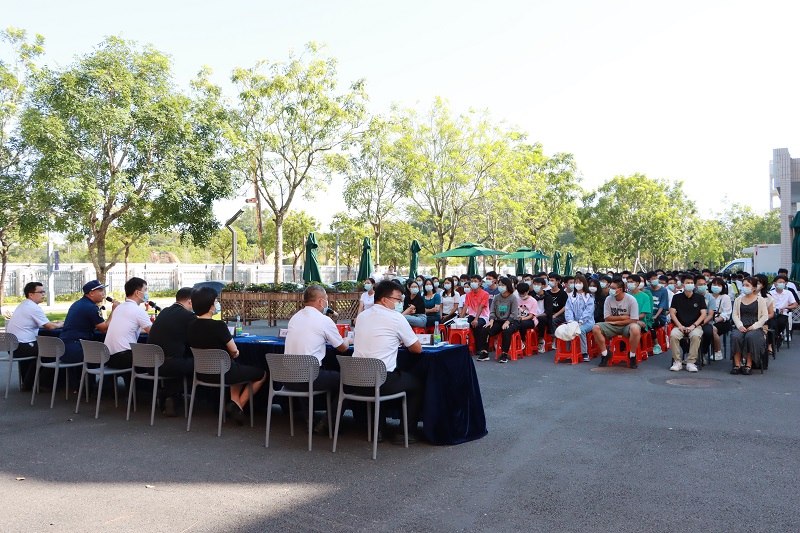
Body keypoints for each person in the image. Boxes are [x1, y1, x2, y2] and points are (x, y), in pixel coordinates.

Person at [352, 280, 423, 444]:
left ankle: (378, 429)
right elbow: (417, 349)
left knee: (382, 376)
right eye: (398, 299)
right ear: (384, 300)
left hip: (355, 380)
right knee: (416, 384)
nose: (400, 303)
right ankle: (405, 432)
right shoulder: (396, 318)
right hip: (381, 380)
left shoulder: (362, 316)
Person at [187, 286, 266, 423]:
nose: (217, 304)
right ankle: (238, 405)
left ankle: (234, 402)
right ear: (210, 306)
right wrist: (234, 353)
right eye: (215, 301)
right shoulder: (219, 326)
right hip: (225, 373)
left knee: (238, 368)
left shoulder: (191, 325)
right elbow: (234, 350)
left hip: (201, 373)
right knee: (261, 374)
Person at [284, 285, 351, 432]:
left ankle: (310, 420)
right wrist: (349, 339)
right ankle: (328, 422)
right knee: (349, 381)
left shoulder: (295, 318)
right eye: (326, 299)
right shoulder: (323, 320)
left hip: (287, 377)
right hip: (309, 378)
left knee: (302, 370)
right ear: (321, 301)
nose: (327, 303)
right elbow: (342, 348)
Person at [147, 287, 197, 416]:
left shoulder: (164, 312)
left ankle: (171, 396)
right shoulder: (188, 316)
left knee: (185, 362)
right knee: (204, 364)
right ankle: (167, 392)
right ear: (190, 301)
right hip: (169, 364)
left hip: (150, 363)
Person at [5, 282, 64, 390]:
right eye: (40, 292)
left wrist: (54, 324)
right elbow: (50, 327)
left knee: (42, 351)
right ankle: (42, 384)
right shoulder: (33, 307)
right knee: (53, 350)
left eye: (44, 291)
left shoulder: (24, 305)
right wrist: (62, 324)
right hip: (22, 346)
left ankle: (29, 383)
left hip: (13, 346)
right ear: (31, 294)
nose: (43, 294)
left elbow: (39, 324)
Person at [59, 280, 119, 385]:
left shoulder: (78, 303)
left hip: (64, 348)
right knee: (111, 356)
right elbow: (104, 328)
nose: (103, 293)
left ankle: (88, 387)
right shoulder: (90, 307)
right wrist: (114, 310)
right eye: (100, 291)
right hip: (75, 349)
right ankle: (102, 388)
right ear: (91, 293)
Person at [104, 277, 153, 371]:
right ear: (137, 292)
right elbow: (153, 332)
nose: (147, 293)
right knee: (155, 358)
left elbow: (129, 328)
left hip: (108, 357)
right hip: (124, 357)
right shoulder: (138, 310)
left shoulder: (119, 308)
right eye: (145, 290)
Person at [592, 279, 641, 369]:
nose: (610, 290)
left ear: (620, 289)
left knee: (635, 329)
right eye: (610, 287)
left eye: (613, 288)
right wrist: (623, 317)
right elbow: (607, 318)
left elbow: (634, 320)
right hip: (612, 325)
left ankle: (632, 355)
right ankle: (605, 354)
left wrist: (617, 321)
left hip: (627, 325)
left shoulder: (631, 300)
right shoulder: (608, 299)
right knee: (596, 328)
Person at [668, 274, 707, 372]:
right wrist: (680, 326)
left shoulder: (699, 298)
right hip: (679, 326)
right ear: (682, 284)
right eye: (687, 283)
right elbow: (672, 313)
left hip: (695, 326)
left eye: (691, 283)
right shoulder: (676, 297)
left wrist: (694, 326)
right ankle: (677, 361)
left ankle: (691, 362)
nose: (690, 284)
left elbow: (703, 314)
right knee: (673, 335)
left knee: (696, 336)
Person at [730, 277, 769, 375]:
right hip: (741, 326)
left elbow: (765, 316)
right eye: (743, 285)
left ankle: (749, 364)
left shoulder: (760, 300)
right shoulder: (738, 300)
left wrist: (754, 326)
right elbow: (735, 315)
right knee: (736, 336)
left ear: (754, 288)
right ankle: (737, 365)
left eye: (747, 285)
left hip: (755, 327)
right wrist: (739, 326)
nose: (744, 287)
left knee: (750, 337)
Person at [476, 277, 519, 363]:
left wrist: (507, 322)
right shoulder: (496, 297)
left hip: (512, 321)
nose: (500, 287)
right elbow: (492, 311)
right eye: (499, 285)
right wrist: (491, 320)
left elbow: (514, 313)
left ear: (507, 287)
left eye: (502, 285)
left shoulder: (513, 298)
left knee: (506, 330)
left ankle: (504, 353)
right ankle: (484, 352)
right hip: (498, 320)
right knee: (485, 329)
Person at [564, 274, 595, 362]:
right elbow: (568, 309)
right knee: (568, 328)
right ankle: (569, 351)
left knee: (580, 330)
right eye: (576, 282)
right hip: (573, 321)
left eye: (580, 282)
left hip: (587, 322)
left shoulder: (589, 296)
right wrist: (570, 321)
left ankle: (584, 352)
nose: (577, 284)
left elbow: (588, 311)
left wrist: (581, 321)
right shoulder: (571, 296)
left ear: (584, 283)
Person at [463, 275, 490, 358]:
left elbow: (481, 307)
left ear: (480, 283)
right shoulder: (468, 294)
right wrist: (461, 319)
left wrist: (476, 319)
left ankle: (479, 348)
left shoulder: (485, 294)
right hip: (472, 315)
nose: (473, 283)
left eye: (475, 281)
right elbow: (465, 306)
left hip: (483, 316)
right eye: (472, 281)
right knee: (463, 325)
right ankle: (464, 346)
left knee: (477, 325)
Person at [768, 274, 798, 349]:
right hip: (773, 313)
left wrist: (786, 307)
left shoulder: (788, 293)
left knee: (781, 322)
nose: (782, 284)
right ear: (775, 283)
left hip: (783, 313)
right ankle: (776, 338)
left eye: (783, 282)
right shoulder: (770, 293)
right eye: (780, 282)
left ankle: (776, 337)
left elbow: (795, 304)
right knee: (771, 323)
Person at [694, 275, 717, 363]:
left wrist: (700, 323)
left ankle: (702, 353)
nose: (703, 286)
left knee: (708, 332)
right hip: (691, 322)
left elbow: (710, 315)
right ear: (695, 286)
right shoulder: (691, 296)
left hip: (705, 322)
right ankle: (689, 353)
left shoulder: (710, 298)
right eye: (700, 284)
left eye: (704, 284)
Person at [709, 277, 732, 360]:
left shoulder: (725, 297)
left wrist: (716, 320)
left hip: (722, 322)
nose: (716, 286)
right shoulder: (708, 296)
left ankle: (718, 352)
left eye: (719, 285)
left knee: (712, 329)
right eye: (714, 284)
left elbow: (726, 313)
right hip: (707, 320)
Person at [543, 274, 568, 350]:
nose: (550, 282)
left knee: (552, 320)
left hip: (560, 315)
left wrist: (556, 315)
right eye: (549, 280)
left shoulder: (563, 293)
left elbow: (565, 307)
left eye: (552, 280)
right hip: (548, 314)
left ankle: (554, 340)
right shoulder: (547, 293)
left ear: (557, 281)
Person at [646, 272, 669, 354]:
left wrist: (655, 316)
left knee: (650, 324)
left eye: (656, 278)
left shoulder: (663, 290)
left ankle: (656, 345)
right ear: (648, 281)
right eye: (653, 279)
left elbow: (662, 305)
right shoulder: (647, 290)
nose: (655, 280)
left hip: (660, 316)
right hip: (648, 315)